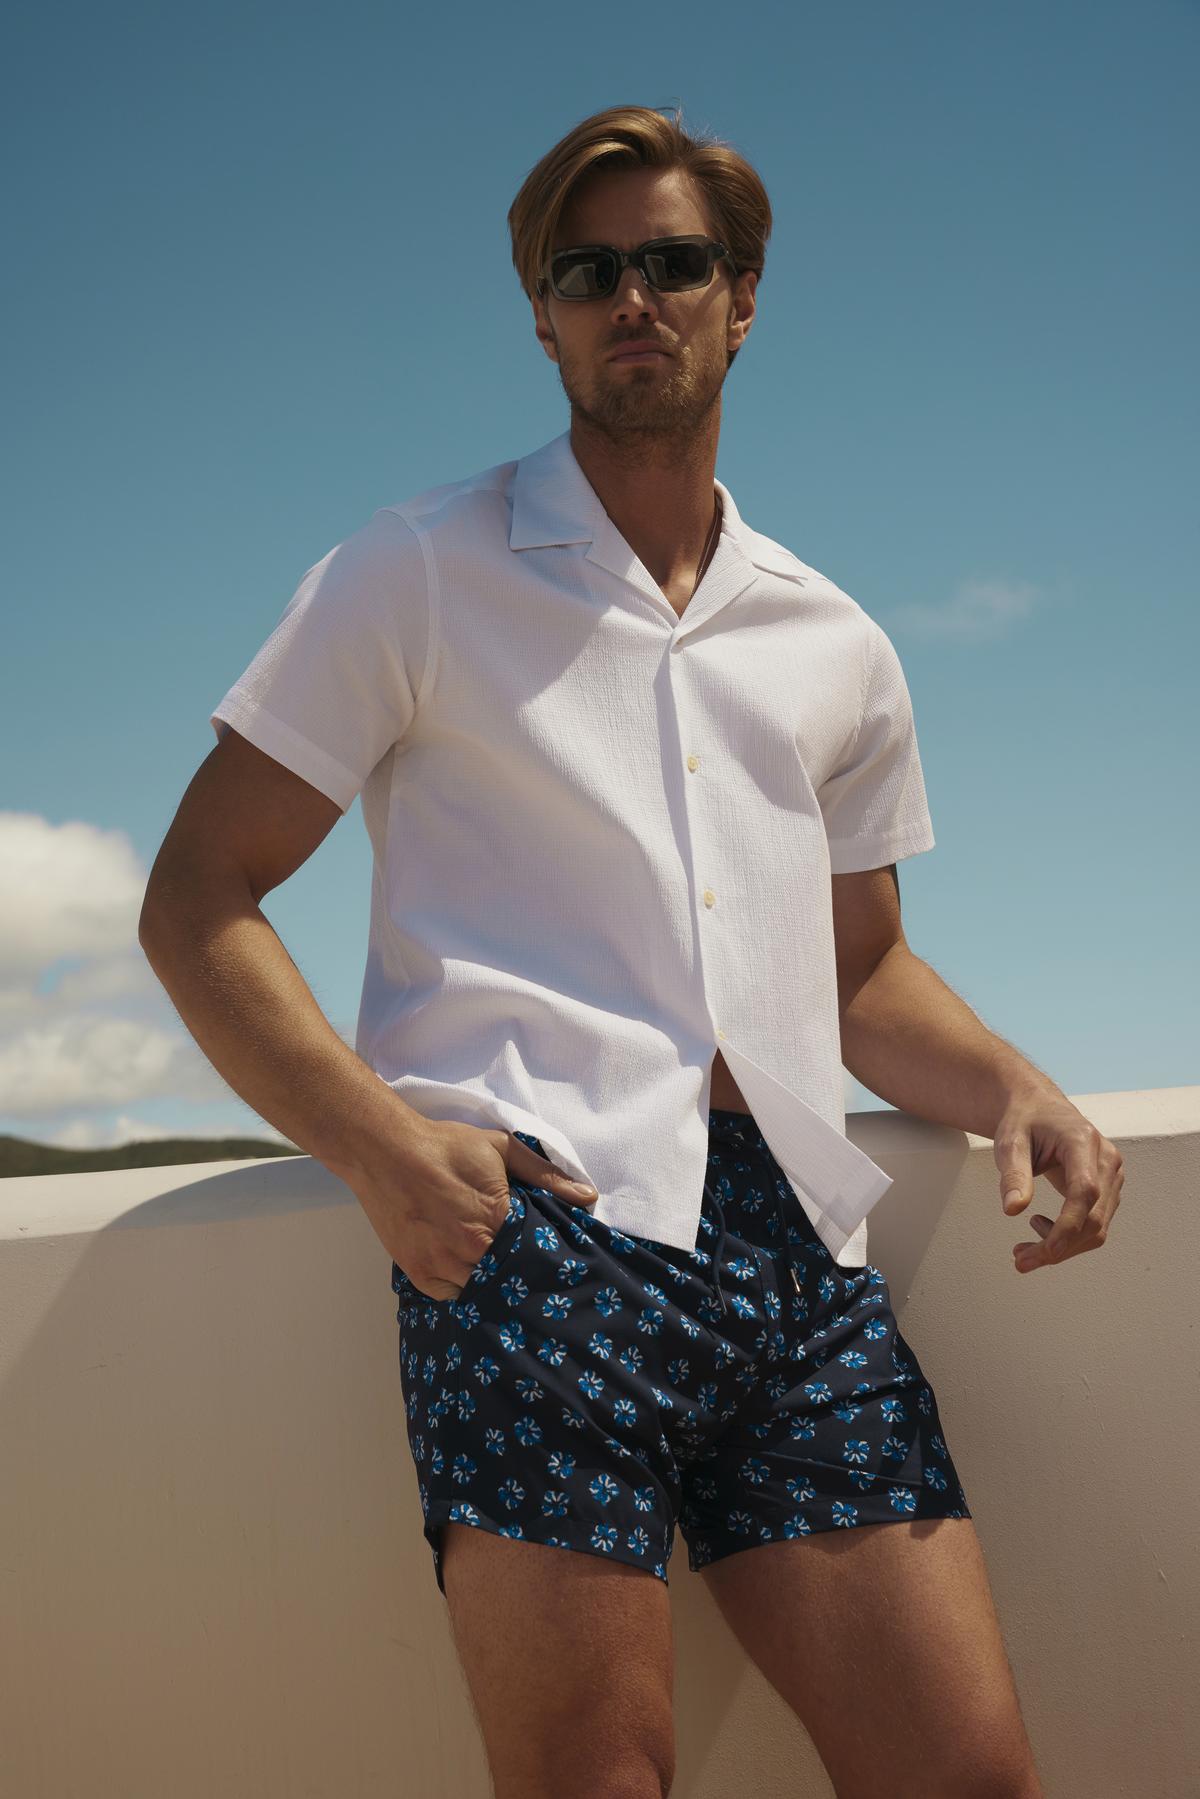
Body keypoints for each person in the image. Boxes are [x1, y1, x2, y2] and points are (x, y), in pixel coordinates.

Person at [140, 101, 1120, 1799]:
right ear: (542, 316)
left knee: (968, 1778)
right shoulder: (417, 573)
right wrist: (376, 1147)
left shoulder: (837, 640)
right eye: (586, 272)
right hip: (538, 1238)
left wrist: (1016, 1084)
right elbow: (198, 894)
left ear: (744, 298)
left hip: (795, 1259)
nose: (631, 298)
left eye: (672, 263)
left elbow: (860, 975)